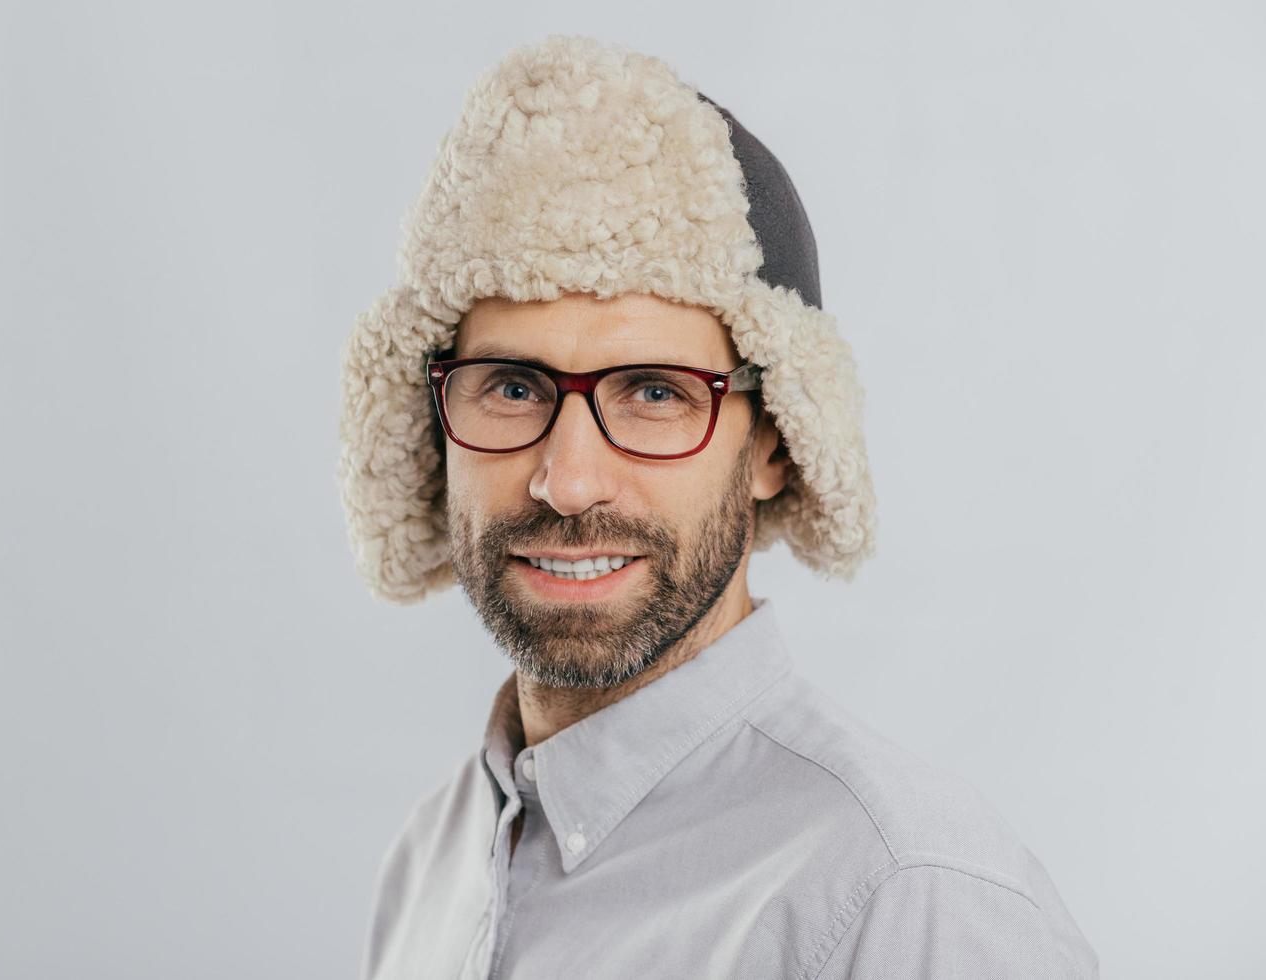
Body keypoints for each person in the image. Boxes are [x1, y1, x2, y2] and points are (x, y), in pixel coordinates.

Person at [337, 33, 1098, 979]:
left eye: (655, 393)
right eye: (513, 388)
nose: (568, 481)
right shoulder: (429, 861)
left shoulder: (909, 898)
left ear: (774, 442)